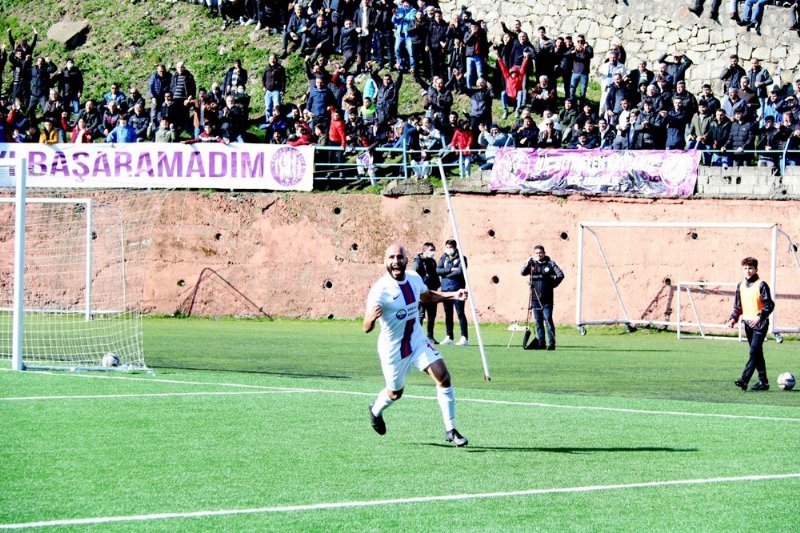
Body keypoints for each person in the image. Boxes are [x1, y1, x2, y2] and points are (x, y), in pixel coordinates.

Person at [364, 244, 469, 447]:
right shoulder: (380, 290)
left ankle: (451, 429)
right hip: (393, 349)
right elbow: (366, 327)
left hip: (417, 341)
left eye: (400, 257)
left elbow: (427, 296)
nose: (396, 261)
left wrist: (453, 294)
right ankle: (375, 410)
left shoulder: (413, 277)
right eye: (391, 257)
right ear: (386, 261)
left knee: (443, 377)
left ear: (406, 259)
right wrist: (370, 318)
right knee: (395, 393)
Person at [727, 256, 774, 391]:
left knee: (753, 352)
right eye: (745, 268)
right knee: (757, 353)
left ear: (756, 269)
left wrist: (760, 317)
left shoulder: (761, 284)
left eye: (751, 268)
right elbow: (738, 306)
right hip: (747, 324)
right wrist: (733, 318)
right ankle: (763, 382)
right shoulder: (740, 286)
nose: (748, 271)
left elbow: (769, 304)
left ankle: (744, 380)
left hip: (760, 324)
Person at [520, 245, 564, 350]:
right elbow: (522, 272)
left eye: (540, 253)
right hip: (535, 299)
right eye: (536, 253)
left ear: (544, 253)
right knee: (538, 321)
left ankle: (552, 343)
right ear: (534, 254)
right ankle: (541, 343)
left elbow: (560, 275)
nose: (538, 255)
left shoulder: (550, 264)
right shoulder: (531, 264)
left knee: (548, 320)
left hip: (547, 299)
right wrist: (526, 263)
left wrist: (553, 284)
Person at [436, 239, 469, 347]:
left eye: (450, 247)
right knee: (448, 314)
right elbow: (437, 270)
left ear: (455, 247)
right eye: (447, 247)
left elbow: (459, 271)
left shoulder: (462, 258)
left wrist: (445, 273)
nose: (449, 249)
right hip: (445, 290)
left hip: (457, 289)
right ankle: (449, 336)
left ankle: (464, 337)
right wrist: (450, 270)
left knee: (460, 313)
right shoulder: (443, 257)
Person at [412, 242, 441, 343]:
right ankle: (417, 336)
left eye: (434, 250)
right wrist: (418, 292)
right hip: (421, 293)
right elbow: (414, 277)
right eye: (431, 250)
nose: (433, 252)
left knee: (432, 315)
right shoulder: (417, 262)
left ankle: (430, 336)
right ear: (424, 251)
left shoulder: (432, 261)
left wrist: (437, 285)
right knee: (420, 315)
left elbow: (435, 275)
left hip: (432, 292)